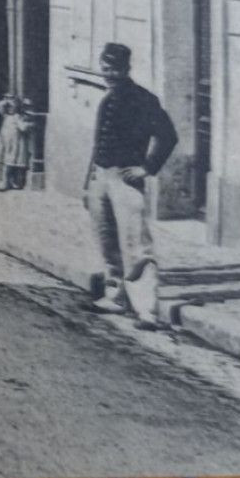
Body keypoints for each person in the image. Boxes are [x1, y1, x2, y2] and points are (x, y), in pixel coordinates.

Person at [83, 42, 178, 331]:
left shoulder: (143, 99)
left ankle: (146, 309)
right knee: (107, 240)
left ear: (126, 69)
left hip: (125, 180)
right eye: (104, 68)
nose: (107, 73)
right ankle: (116, 296)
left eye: (113, 68)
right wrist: (88, 182)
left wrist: (147, 168)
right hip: (101, 176)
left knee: (136, 243)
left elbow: (167, 135)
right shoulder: (107, 99)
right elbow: (97, 143)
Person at [0, 94, 36, 190]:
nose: (10, 109)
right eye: (8, 107)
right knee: (8, 163)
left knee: (13, 164)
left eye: (12, 107)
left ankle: (15, 183)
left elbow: (22, 127)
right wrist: (6, 101)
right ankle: (6, 183)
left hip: (16, 144)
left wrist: (30, 124)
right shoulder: (7, 116)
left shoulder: (17, 117)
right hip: (8, 144)